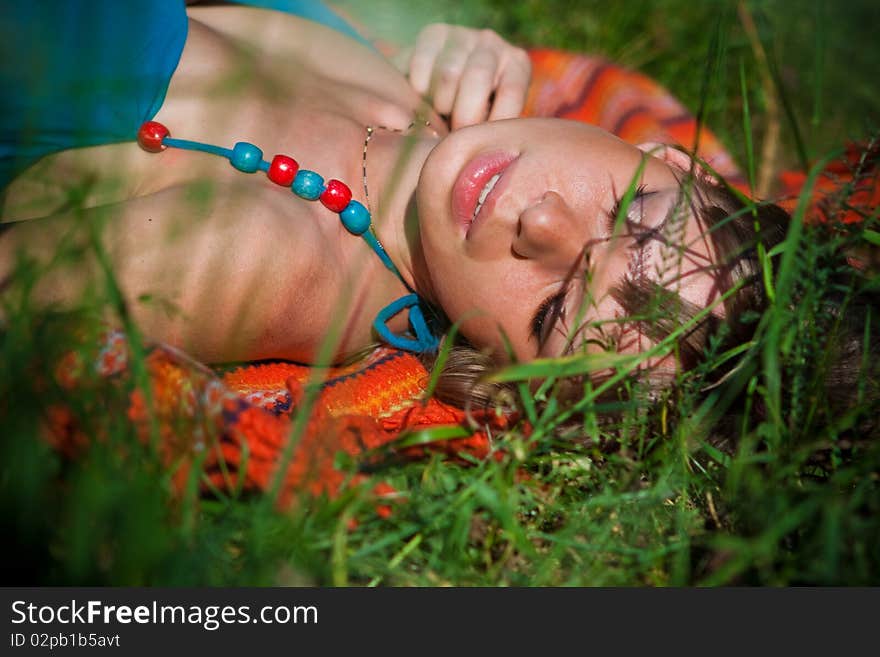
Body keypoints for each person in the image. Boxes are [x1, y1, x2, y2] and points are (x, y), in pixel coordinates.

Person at [0, 0, 792, 403]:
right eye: (628, 214)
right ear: (664, 156)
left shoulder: (264, 254)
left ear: (508, 379)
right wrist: (443, 56)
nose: (543, 224)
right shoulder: (437, 105)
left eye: (553, 313)